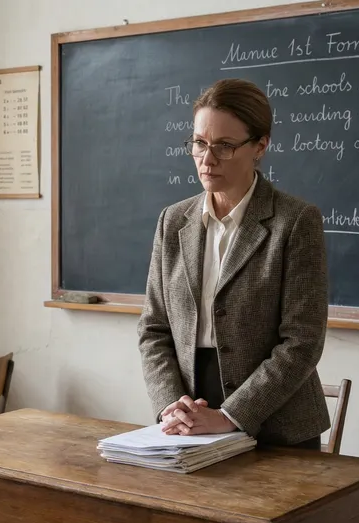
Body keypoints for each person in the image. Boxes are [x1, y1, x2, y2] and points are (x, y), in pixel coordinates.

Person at [137, 79, 330, 448]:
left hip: (278, 425)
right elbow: (154, 328)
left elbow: (302, 342)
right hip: (190, 417)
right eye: (199, 143)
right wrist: (169, 405)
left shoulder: (295, 221)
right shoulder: (173, 220)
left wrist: (230, 416)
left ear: (260, 145)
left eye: (224, 146)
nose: (207, 160)